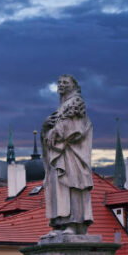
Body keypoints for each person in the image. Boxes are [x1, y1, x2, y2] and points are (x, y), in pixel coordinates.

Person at [41, 74, 93, 235]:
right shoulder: (62, 106)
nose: (61, 84)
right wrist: (45, 128)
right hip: (59, 153)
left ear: (74, 85)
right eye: (59, 82)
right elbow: (54, 129)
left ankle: (74, 223)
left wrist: (54, 133)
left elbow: (75, 129)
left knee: (73, 185)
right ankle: (60, 224)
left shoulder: (76, 102)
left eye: (65, 82)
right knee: (59, 187)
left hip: (71, 153)